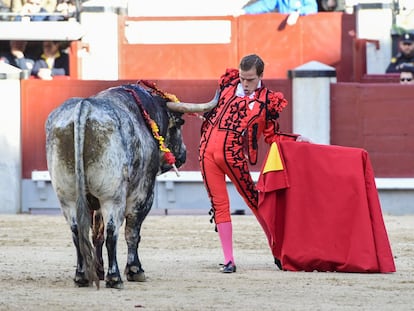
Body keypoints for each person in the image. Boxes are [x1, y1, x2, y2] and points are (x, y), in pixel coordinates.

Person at [199, 54, 307, 273]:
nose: (245, 84)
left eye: (250, 79)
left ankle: (278, 253)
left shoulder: (267, 100)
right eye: (242, 78)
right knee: (220, 205)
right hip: (206, 153)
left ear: (260, 76)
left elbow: (271, 137)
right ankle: (229, 260)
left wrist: (296, 140)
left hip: (233, 157)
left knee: (255, 201)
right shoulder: (228, 86)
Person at [240, 0, 318, 25]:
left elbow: (312, 8)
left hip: (304, 33)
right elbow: (264, 5)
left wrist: (298, 12)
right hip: (285, 33)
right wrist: (245, 11)